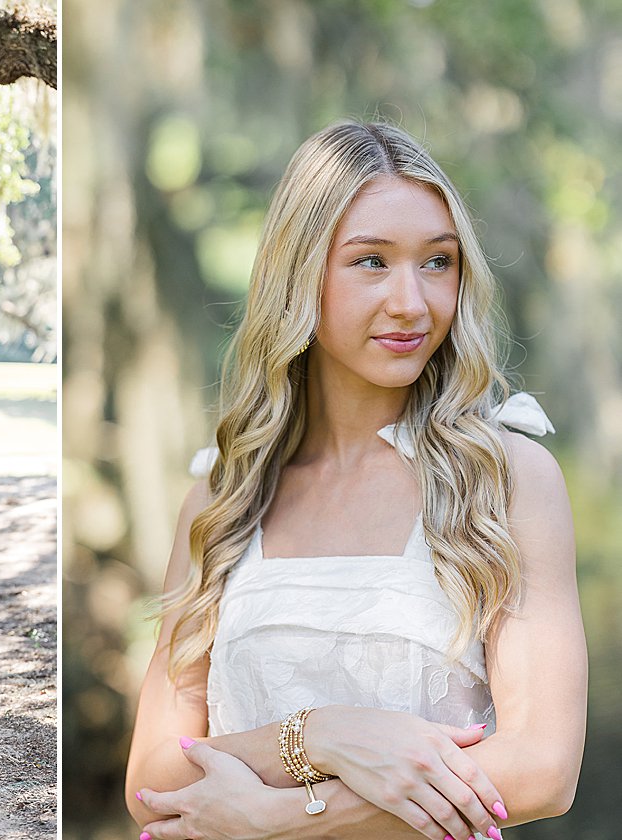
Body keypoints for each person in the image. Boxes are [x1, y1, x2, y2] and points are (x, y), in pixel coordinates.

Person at [125, 122, 587, 840]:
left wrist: (284, 816)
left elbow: (541, 768)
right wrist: (322, 736)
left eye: (438, 263)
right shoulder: (223, 497)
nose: (412, 301)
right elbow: (155, 779)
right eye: (371, 261)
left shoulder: (506, 480)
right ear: (298, 271)